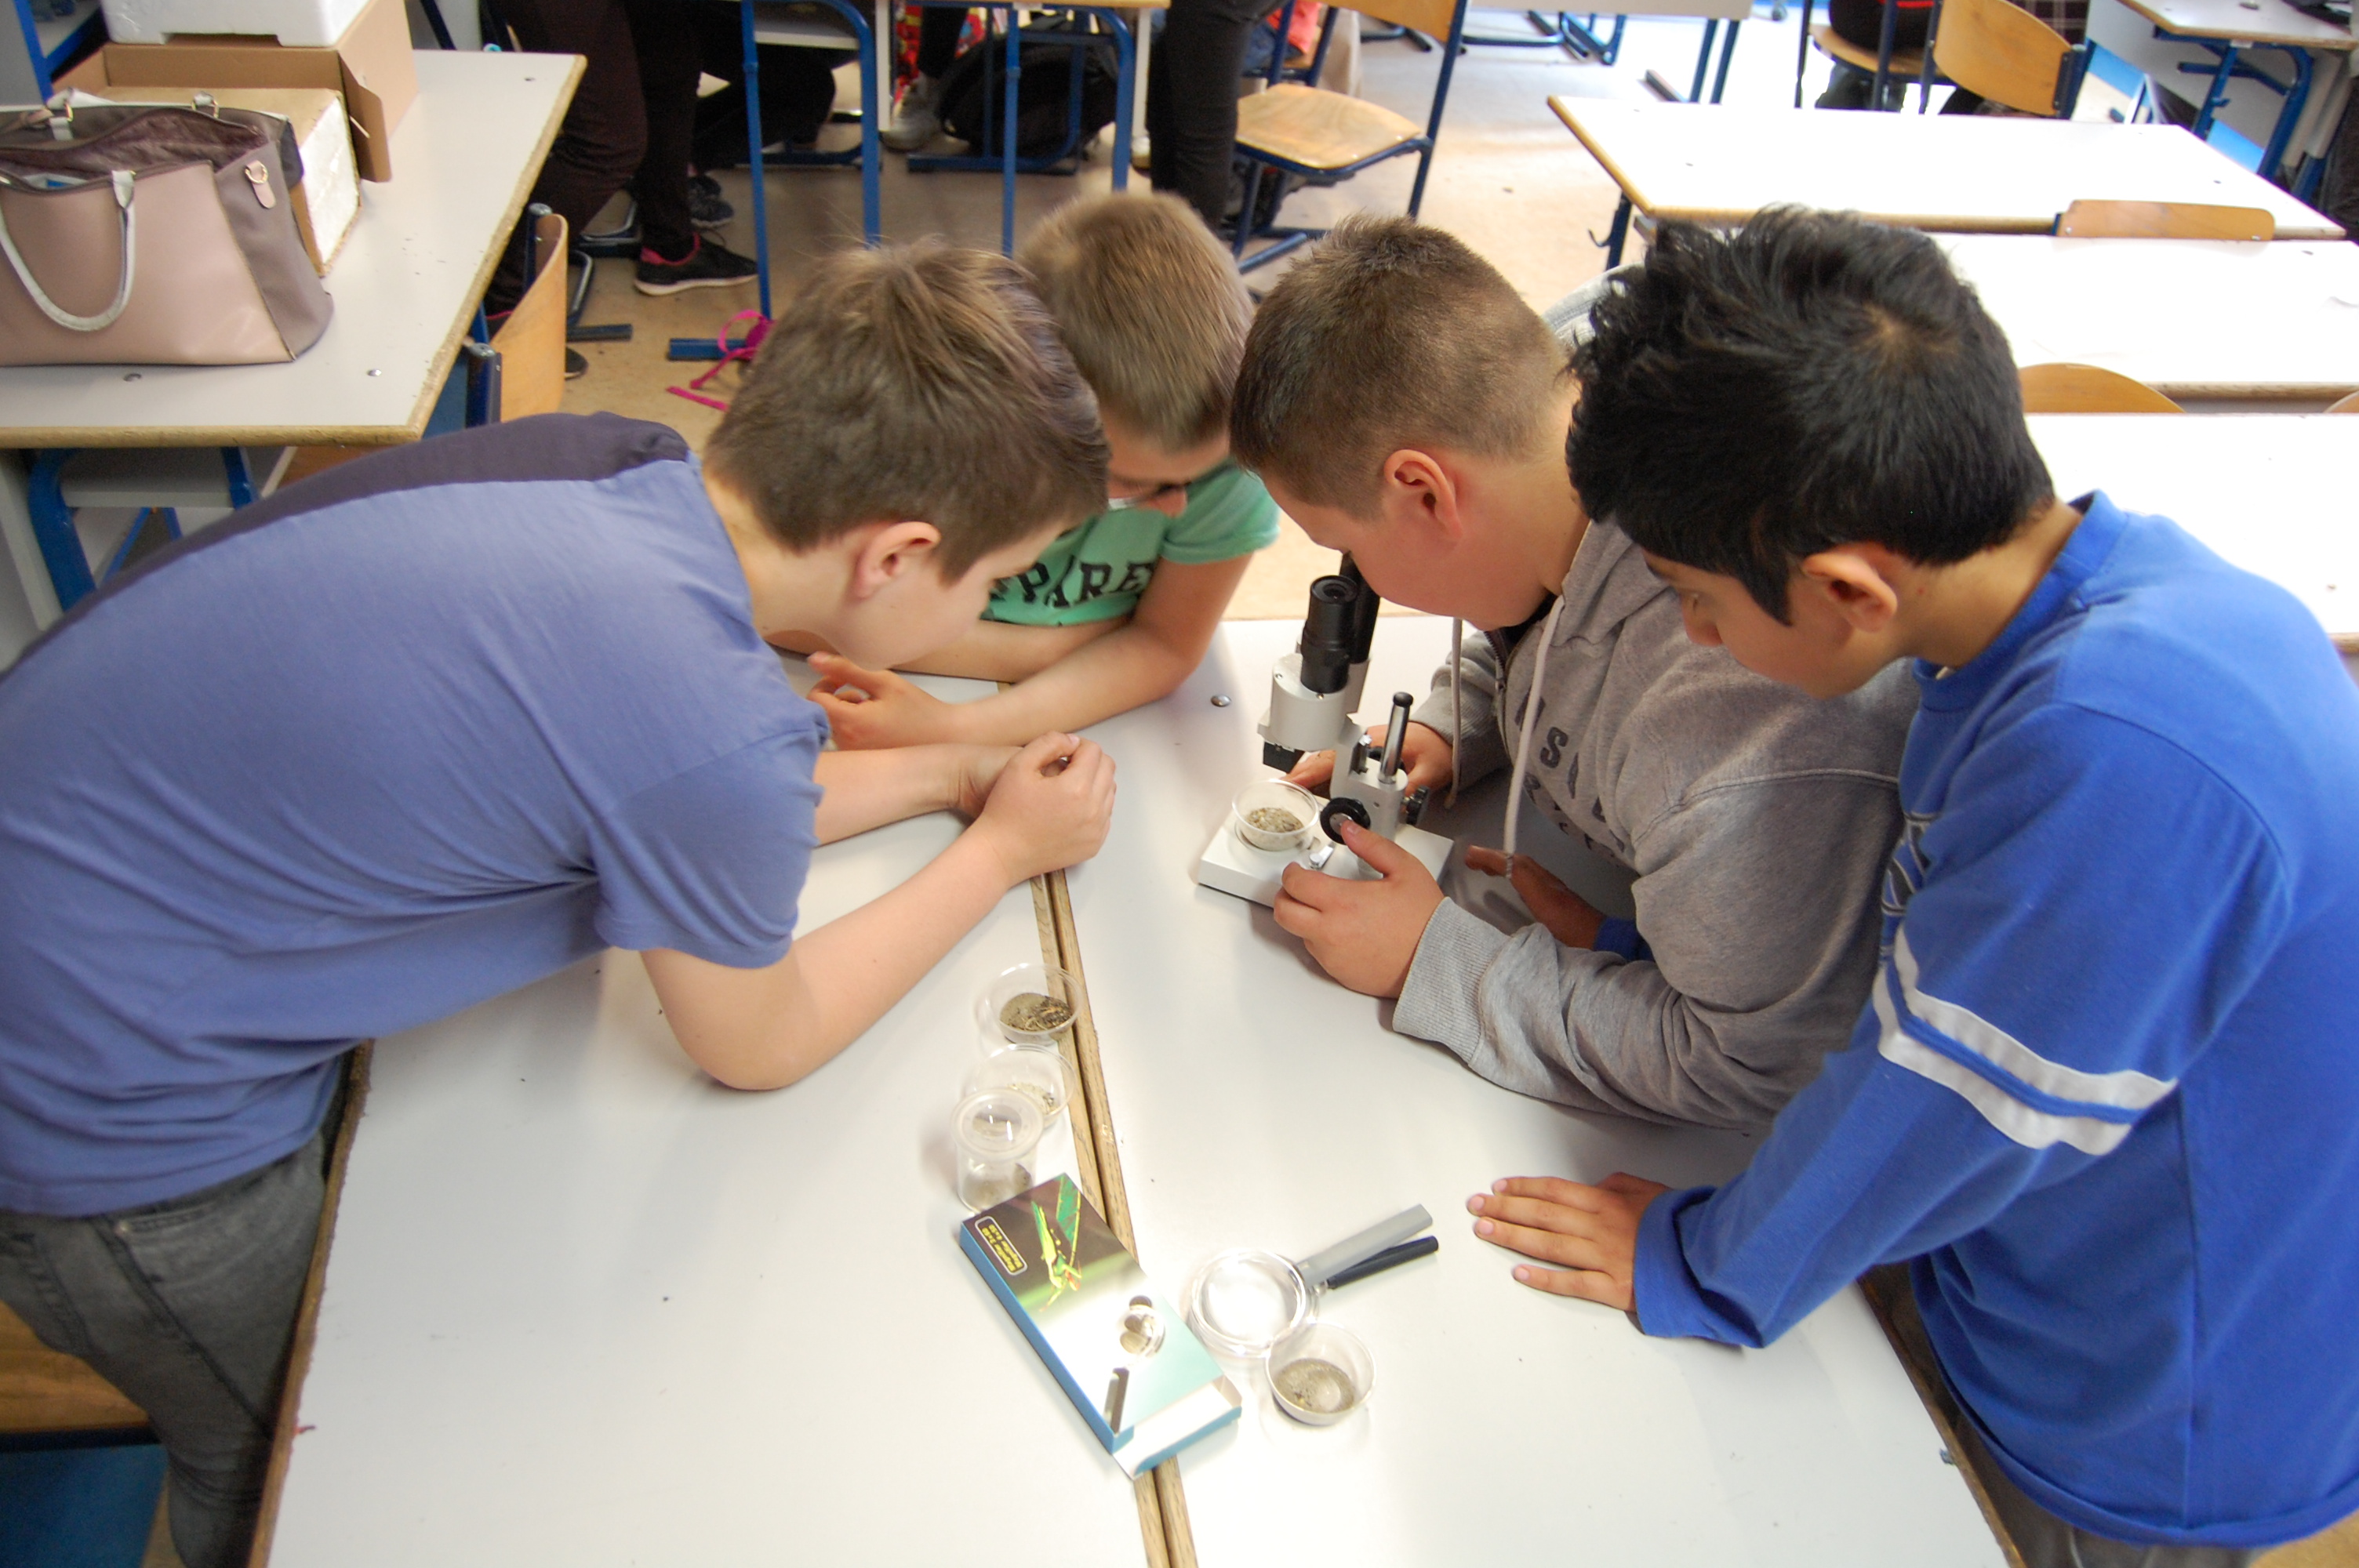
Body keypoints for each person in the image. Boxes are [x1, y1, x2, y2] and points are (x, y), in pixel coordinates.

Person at [0, 241, 1114, 1568]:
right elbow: (760, 1037)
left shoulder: (615, 463)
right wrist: (997, 857)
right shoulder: (707, 723)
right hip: (110, 1124)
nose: (988, 607)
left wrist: (952, 775)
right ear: (898, 556)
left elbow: (674, 799)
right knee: (289, 1472)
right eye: (992, 581)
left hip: (78, 909)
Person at [1464, 208, 2359, 1564]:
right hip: (2040, 1260)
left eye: (1694, 599)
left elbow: (1942, 1100)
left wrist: (1701, 1262)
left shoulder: (2113, 753)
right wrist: (1643, 948)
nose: (1689, 635)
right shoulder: (2086, 601)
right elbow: (1972, 947)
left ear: (1845, 591)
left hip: (2141, 1412)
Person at [1227, 216, 1916, 1129]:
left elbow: (1751, 1063)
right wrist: (1462, 717)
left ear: (1423, 491)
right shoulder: (1547, 382)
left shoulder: (1743, 713)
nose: (1360, 579)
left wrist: (1436, 958)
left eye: (1344, 544)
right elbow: (1543, 599)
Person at [798, 193, 1278, 746]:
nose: (1173, 506)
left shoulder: (1233, 459)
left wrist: (957, 727)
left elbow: (1165, 647)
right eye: (1130, 482)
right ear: (1021, 399)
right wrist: (1045, 651)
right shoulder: (929, 419)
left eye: (1193, 479)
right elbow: (795, 613)